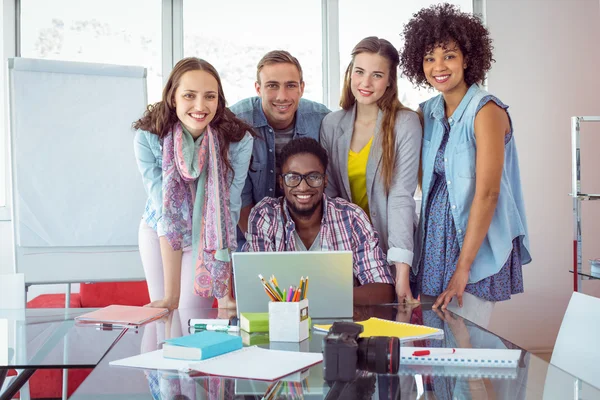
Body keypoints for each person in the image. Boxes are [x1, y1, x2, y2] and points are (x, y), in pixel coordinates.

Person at [400, 3, 531, 327]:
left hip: (473, 247)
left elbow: (487, 194)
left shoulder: (486, 111)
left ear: (468, 58)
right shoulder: (427, 111)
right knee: (435, 350)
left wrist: (463, 269)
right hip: (433, 246)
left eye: (449, 55)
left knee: (467, 352)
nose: (438, 66)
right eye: (429, 57)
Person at [133, 57, 254, 310]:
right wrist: (170, 297)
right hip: (160, 233)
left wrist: (223, 293)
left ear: (218, 100)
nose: (200, 106)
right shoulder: (148, 137)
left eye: (210, 96)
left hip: (206, 239)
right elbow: (168, 212)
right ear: (173, 97)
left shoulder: (238, 141)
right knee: (163, 317)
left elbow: (228, 211)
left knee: (190, 318)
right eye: (189, 95)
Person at [320, 37, 421, 304]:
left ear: (390, 80)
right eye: (359, 72)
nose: (365, 83)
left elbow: (401, 197)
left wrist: (401, 272)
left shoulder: (405, 123)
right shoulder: (332, 123)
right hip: (346, 248)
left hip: (390, 245)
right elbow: (329, 197)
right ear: (349, 73)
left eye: (377, 75)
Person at [243, 138, 395, 305]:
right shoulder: (265, 216)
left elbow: (383, 290)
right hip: (284, 325)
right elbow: (256, 291)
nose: (303, 187)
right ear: (281, 182)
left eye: (313, 177)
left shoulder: (352, 217)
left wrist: (312, 299)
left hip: (340, 326)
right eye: (293, 177)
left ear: (325, 180)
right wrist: (330, 298)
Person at [230, 50, 330, 247]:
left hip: (309, 234)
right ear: (258, 89)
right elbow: (239, 194)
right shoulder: (237, 122)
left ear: (301, 88)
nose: (282, 96)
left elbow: (330, 185)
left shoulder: (322, 120)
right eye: (272, 86)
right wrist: (267, 248)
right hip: (249, 233)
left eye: (291, 85)